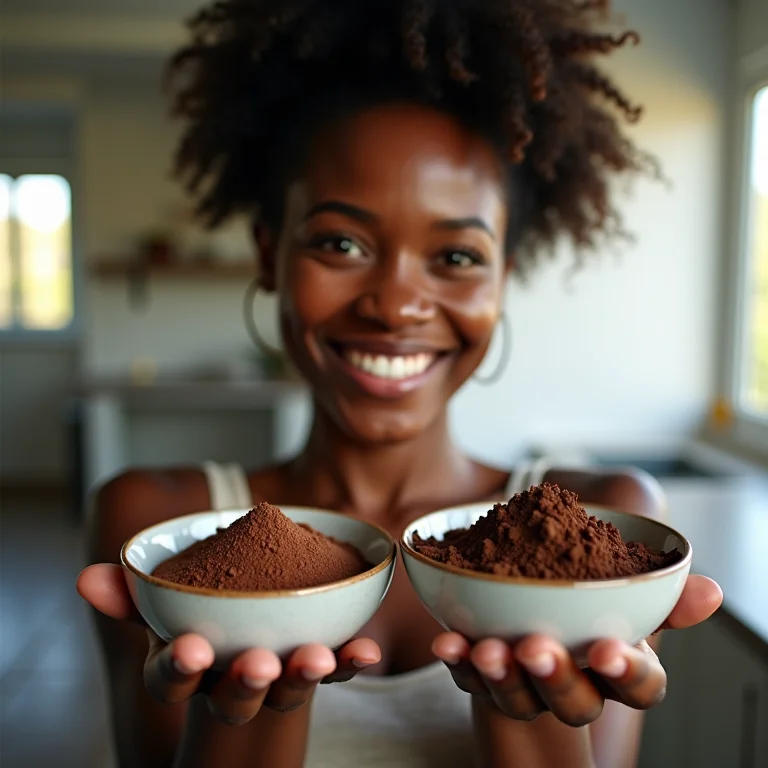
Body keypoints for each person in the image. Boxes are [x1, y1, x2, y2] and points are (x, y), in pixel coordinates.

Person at [76, 1, 723, 766]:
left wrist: (527, 706)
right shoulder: (157, 527)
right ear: (269, 253)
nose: (393, 305)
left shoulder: (605, 526)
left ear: (502, 279)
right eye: (341, 243)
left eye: (456, 258)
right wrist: (246, 708)